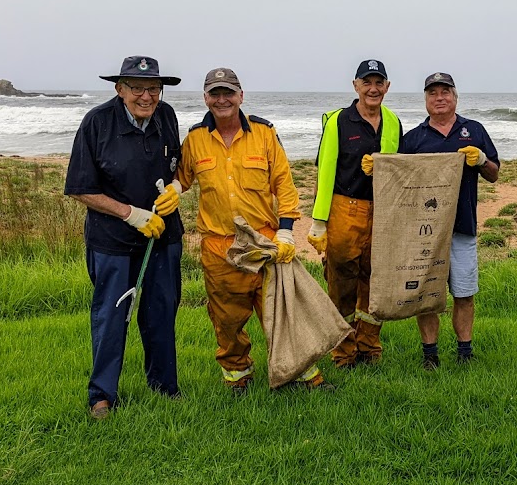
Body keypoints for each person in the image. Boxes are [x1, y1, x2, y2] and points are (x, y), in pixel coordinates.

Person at [174, 67, 328, 395]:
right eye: (215, 94)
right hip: (218, 247)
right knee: (226, 319)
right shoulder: (195, 139)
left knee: (281, 312)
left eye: (228, 92)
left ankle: (302, 374)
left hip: (263, 241)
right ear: (205, 99)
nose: (222, 99)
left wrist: (286, 232)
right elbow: (182, 179)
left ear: (241, 96)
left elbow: (285, 185)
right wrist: (168, 191)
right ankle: (237, 374)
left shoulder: (264, 133)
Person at [65, 55, 184, 420]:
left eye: (153, 89)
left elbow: (177, 166)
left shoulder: (167, 117)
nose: (146, 96)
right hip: (112, 240)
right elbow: (80, 188)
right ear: (120, 89)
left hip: (163, 237)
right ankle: (101, 396)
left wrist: (177, 187)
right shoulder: (97, 123)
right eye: (136, 88)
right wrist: (130, 214)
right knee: (111, 316)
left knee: (161, 312)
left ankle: (165, 387)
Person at [399, 72, 500, 369]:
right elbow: (400, 180)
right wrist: (376, 166)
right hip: (424, 232)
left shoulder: (474, 130)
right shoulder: (414, 138)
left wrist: (481, 160)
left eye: (445, 92)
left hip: (462, 227)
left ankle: (464, 353)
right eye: (433, 93)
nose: (439, 97)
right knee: (426, 295)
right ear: (426, 100)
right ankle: (430, 355)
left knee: (464, 292)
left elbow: (494, 174)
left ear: (456, 97)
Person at [308, 59, 402, 368]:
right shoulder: (338, 121)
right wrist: (319, 222)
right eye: (367, 82)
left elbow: (399, 169)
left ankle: (369, 347)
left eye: (379, 83)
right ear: (355, 86)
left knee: (375, 283)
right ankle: (343, 352)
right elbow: (325, 171)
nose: (373, 89)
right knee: (342, 282)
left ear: (387, 87)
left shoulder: (393, 121)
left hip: (383, 213)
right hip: (344, 209)